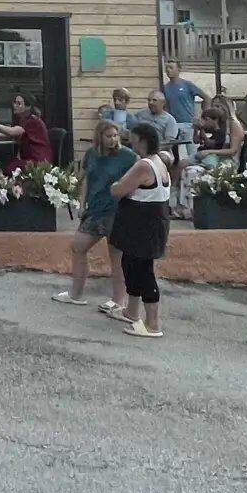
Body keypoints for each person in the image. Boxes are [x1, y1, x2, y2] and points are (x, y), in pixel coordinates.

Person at [53, 119, 132, 315]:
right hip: (95, 210)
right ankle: (76, 294)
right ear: (99, 137)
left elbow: (140, 174)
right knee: (78, 246)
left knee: (117, 256)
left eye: (115, 135)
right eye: (109, 136)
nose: (113, 139)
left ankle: (118, 301)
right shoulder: (91, 154)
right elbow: (85, 178)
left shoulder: (128, 156)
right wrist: (81, 203)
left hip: (116, 211)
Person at [108, 122, 172, 338]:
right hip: (149, 221)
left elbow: (119, 189)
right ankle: (132, 312)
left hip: (142, 224)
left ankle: (153, 324)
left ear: (142, 140)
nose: (130, 142)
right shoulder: (158, 161)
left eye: (133, 139)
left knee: (143, 270)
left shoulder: (143, 165)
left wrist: (116, 185)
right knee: (130, 263)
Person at [0, 91, 53, 172]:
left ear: (28, 107)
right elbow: (13, 134)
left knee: (7, 167)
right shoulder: (23, 120)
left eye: (19, 103)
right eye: (14, 103)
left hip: (39, 162)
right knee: (4, 162)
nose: (15, 105)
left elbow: (12, 132)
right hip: (30, 160)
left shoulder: (33, 121)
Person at [162, 61, 206, 134]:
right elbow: (166, 107)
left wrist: (203, 117)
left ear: (178, 69)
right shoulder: (165, 88)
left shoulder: (187, 84)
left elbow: (207, 98)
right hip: (174, 125)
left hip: (189, 124)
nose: (168, 70)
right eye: (167, 68)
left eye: (171, 68)